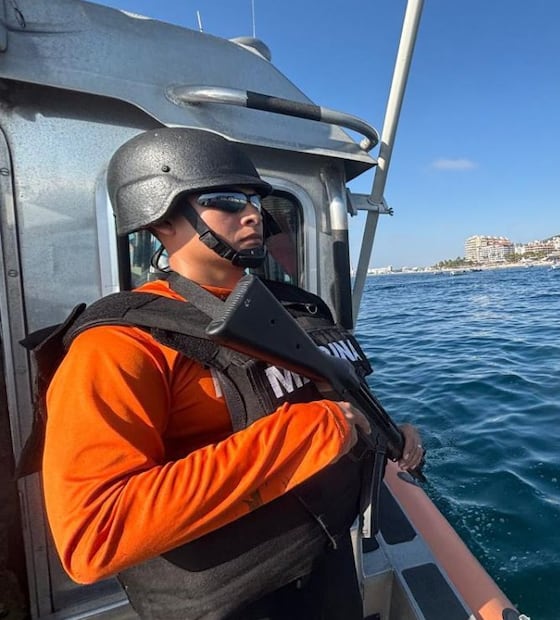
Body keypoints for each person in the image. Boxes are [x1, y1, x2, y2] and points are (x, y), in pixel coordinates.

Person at [40, 127, 424, 619]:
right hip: (235, 599)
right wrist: (307, 434)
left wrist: (388, 435)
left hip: (326, 559)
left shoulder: (299, 307)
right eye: (225, 200)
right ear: (161, 219)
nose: (252, 213)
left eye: (255, 200)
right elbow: (95, 533)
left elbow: (334, 400)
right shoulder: (121, 344)